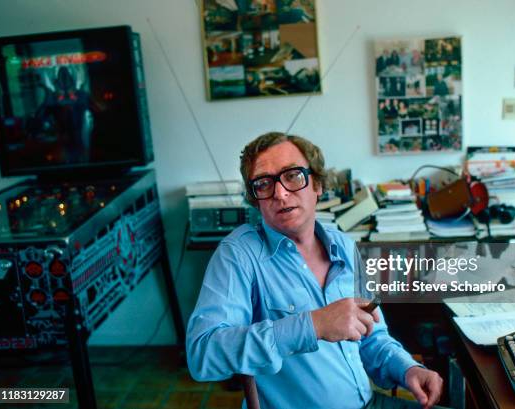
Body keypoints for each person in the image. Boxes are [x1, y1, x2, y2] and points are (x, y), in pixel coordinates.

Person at [186, 132, 443, 409]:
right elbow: (203, 355)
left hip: (368, 402)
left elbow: (372, 336)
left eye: (293, 176)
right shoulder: (238, 254)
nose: (281, 193)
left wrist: (408, 369)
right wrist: (314, 325)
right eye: (263, 183)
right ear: (255, 198)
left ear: (317, 184)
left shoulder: (343, 244)